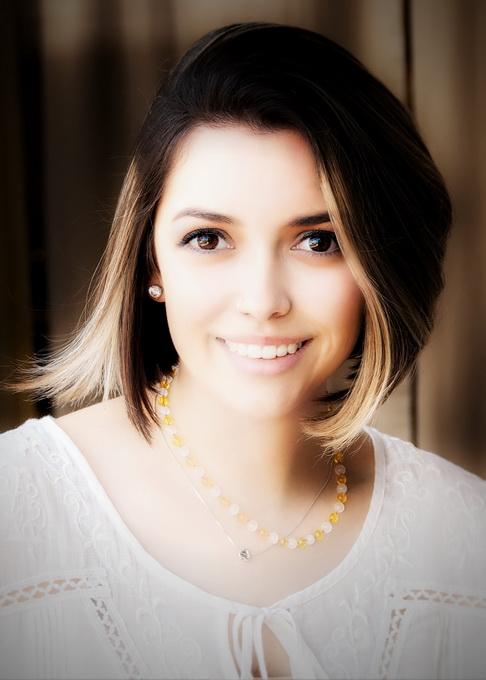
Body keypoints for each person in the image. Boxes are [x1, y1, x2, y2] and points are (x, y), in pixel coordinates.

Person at [1, 21, 485, 680]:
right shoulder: (15, 512)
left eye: (318, 241)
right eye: (208, 238)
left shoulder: (464, 540)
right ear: (151, 261)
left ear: (383, 264)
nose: (262, 300)